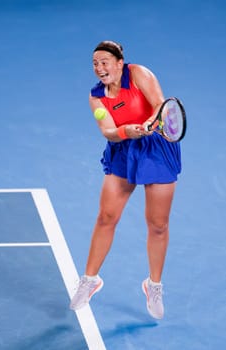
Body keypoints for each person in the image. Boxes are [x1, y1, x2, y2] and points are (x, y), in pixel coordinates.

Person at [70, 40, 181, 319]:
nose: (99, 68)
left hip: (156, 148)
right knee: (106, 216)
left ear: (120, 63)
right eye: (95, 63)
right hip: (123, 149)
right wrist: (126, 132)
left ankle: (153, 285)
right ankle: (90, 280)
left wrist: (147, 125)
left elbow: (159, 104)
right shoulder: (96, 96)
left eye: (104, 62)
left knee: (158, 224)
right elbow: (107, 130)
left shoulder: (140, 74)